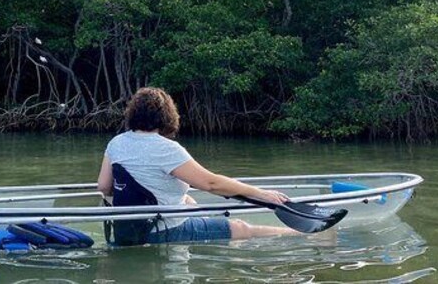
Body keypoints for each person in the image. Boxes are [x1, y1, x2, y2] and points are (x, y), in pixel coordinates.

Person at [97, 86, 298, 243]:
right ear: (167, 115)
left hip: (126, 232)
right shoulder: (167, 149)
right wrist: (261, 193)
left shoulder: (116, 143)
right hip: (166, 231)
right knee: (241, 228)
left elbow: (104, 187)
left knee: (188, 199)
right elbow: (211, 183)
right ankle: (304, 236)